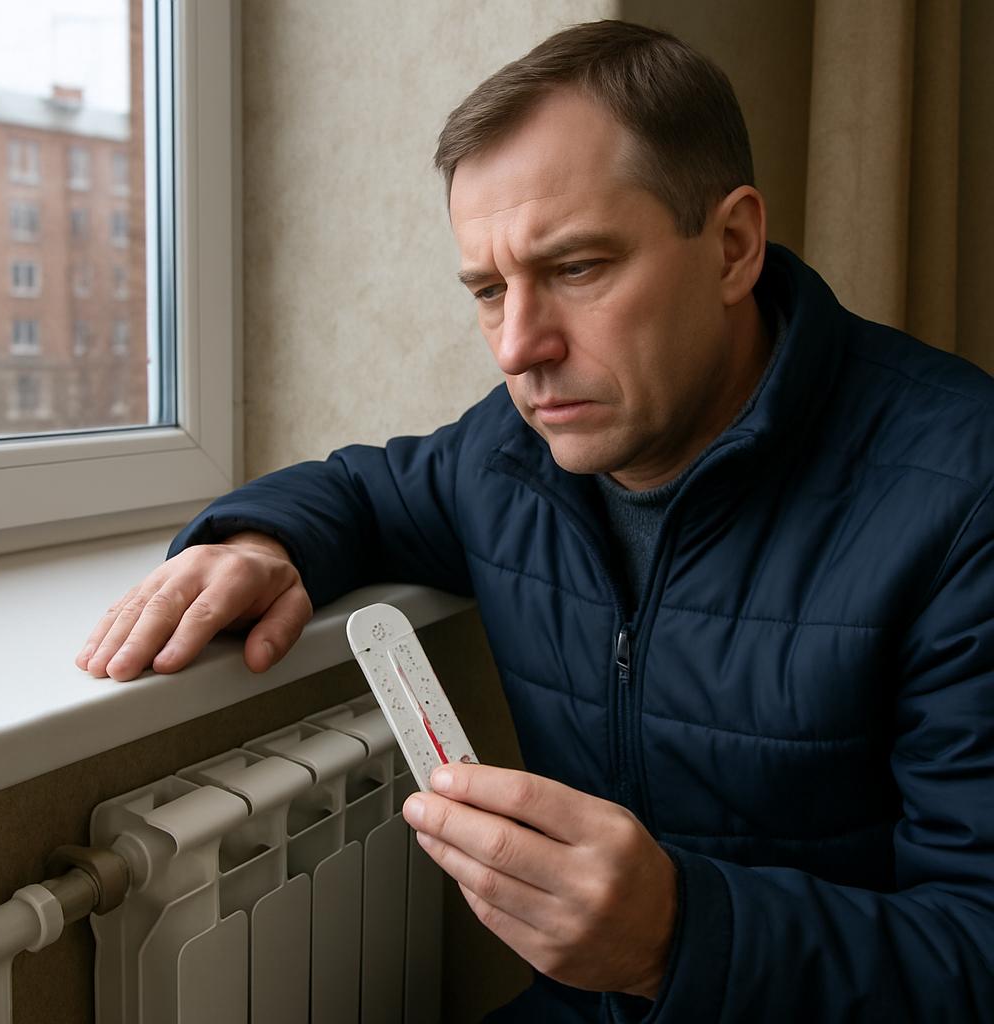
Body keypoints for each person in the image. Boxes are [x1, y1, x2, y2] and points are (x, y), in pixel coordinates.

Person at [77, 21, 994, 1023]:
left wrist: (679, 935)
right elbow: (365, 488)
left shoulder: (962, 490)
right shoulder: (510, 456)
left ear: (732, 247)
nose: (518, 346)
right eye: (487, 289)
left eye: (578, 267)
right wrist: (259, 542)